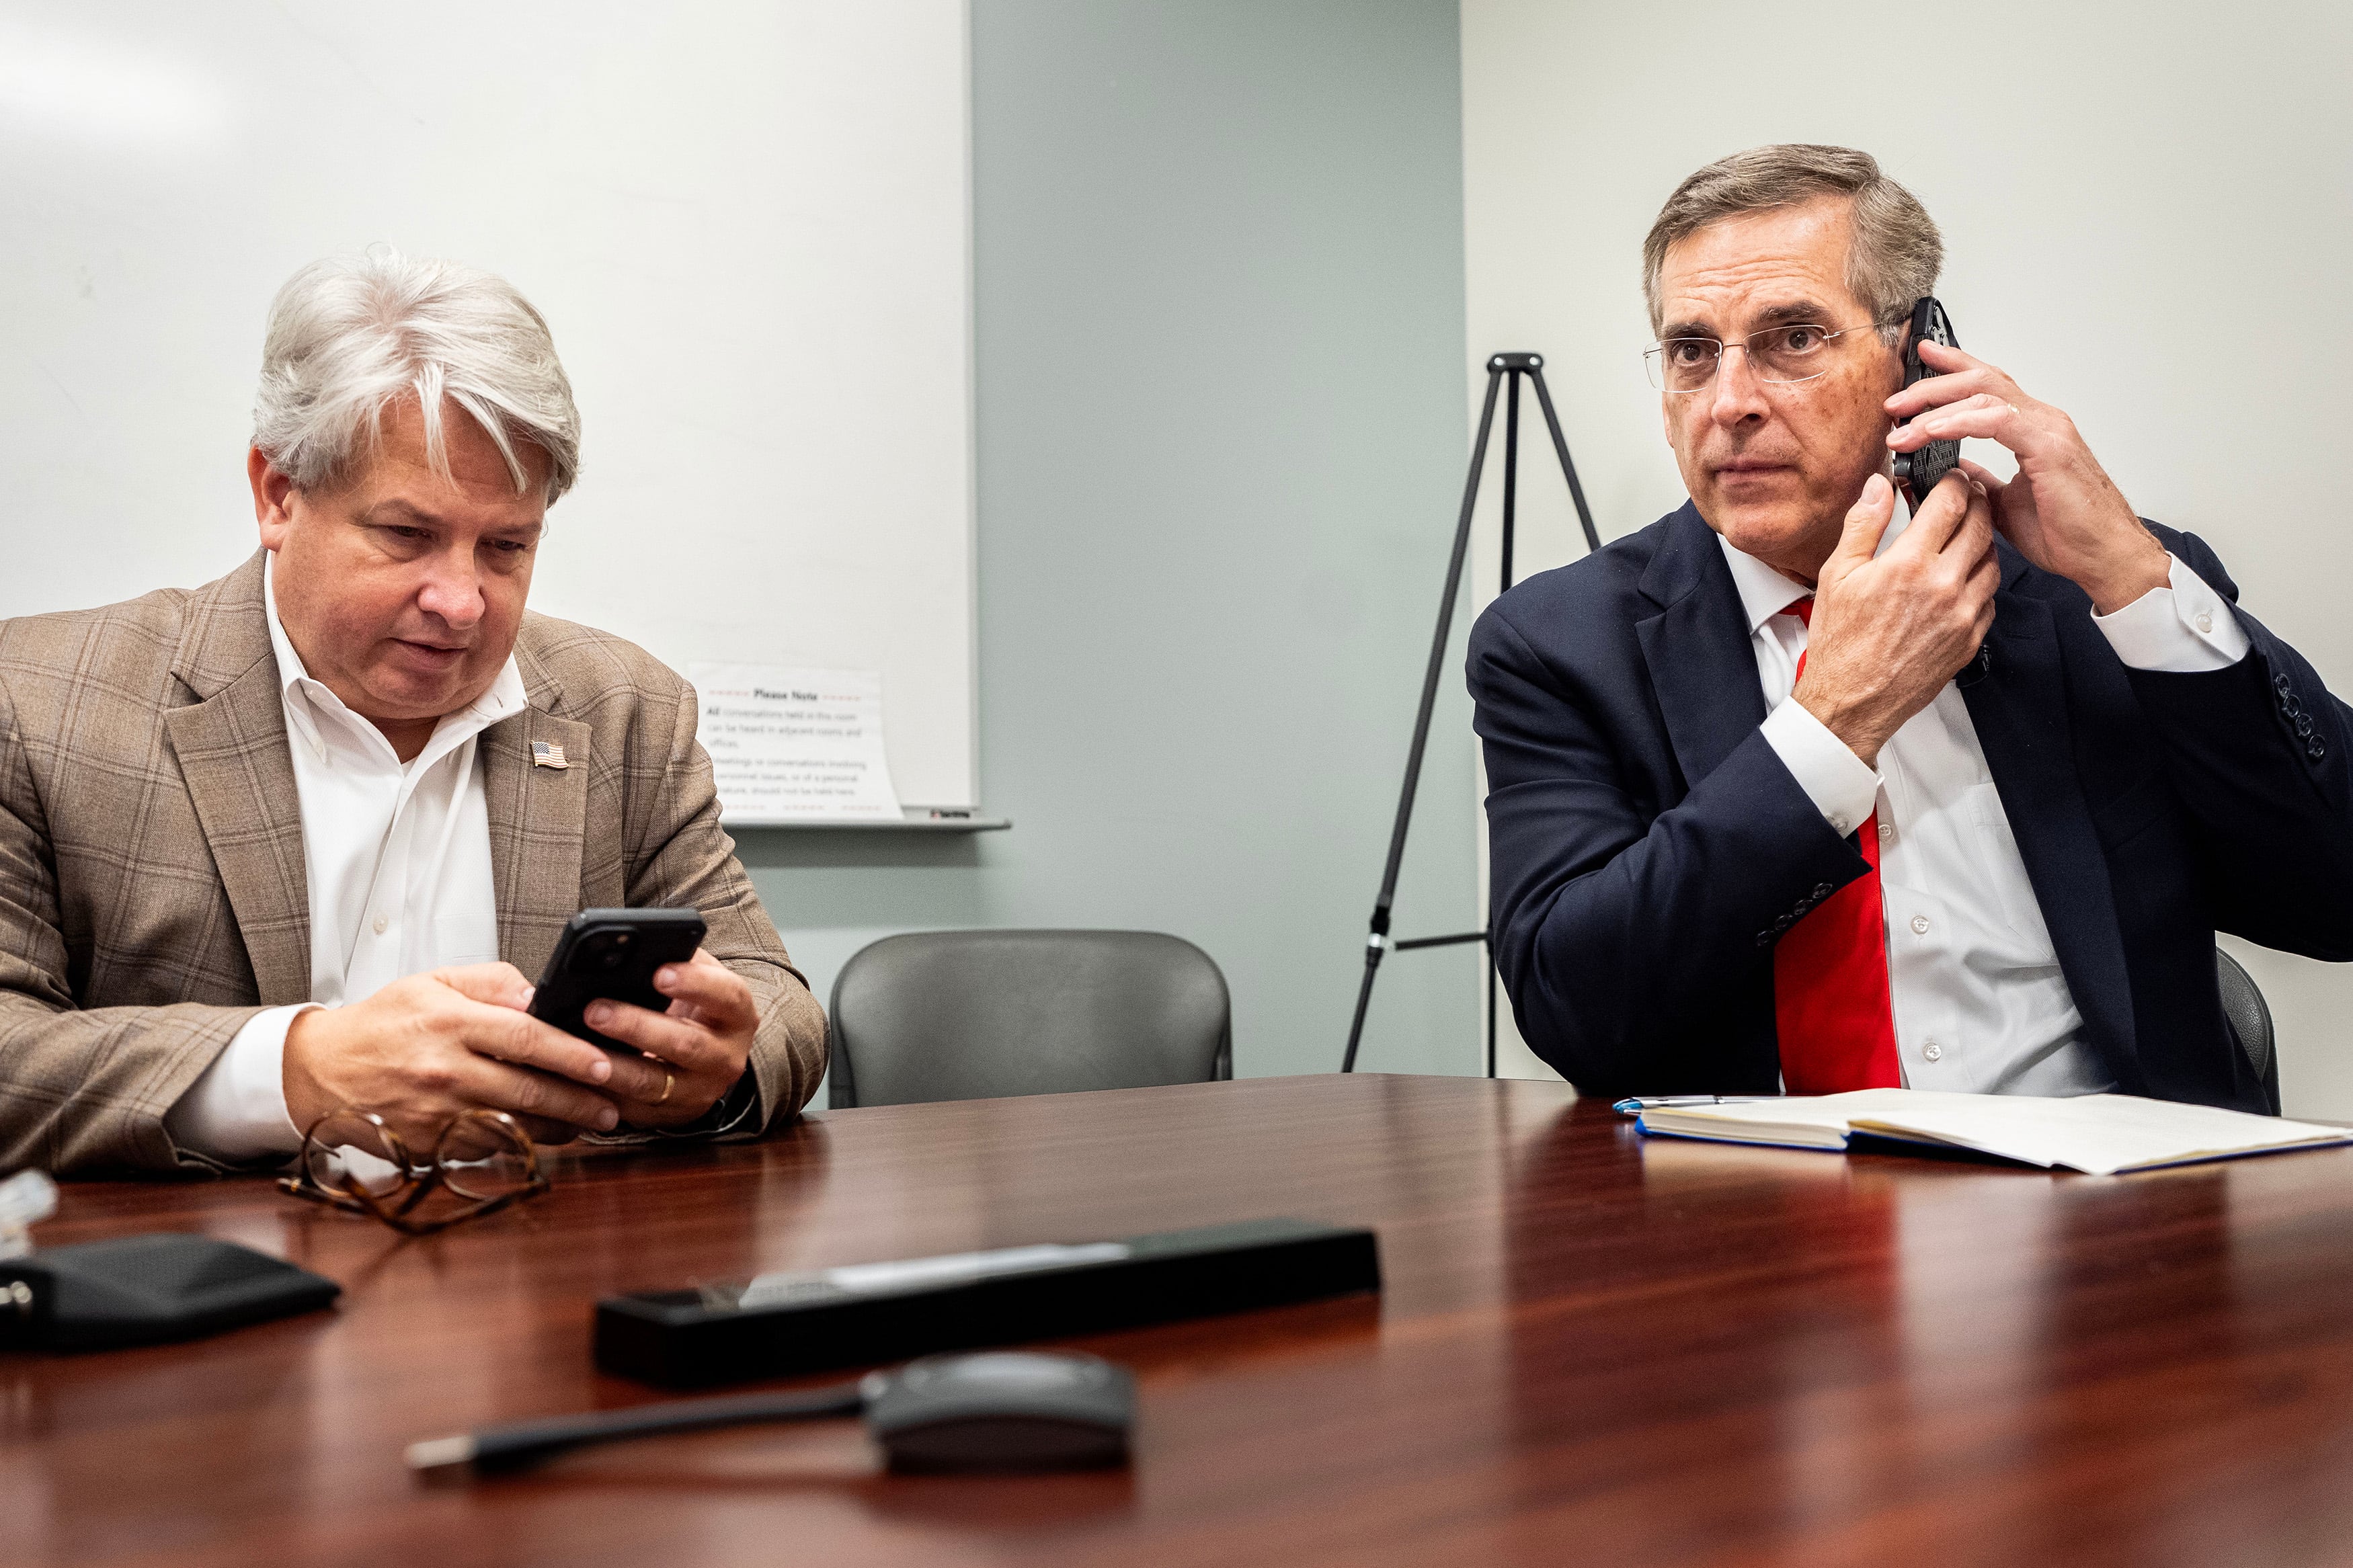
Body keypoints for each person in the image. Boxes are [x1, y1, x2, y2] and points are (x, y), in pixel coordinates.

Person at [1468, 145, 2353, 1110]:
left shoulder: (2086, 598)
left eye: (1793, 337)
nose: (1729, 403)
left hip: (2118, 1219)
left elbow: (2336, 892)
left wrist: (2141, 585)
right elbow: (1576, 1014)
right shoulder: (1558, 643)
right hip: (1754, 1226)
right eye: (1692, 351)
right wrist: (1832, 724)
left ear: (1914, 353)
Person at [0, 249, 827, 1174]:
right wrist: (297, 1071)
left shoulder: (627, 709)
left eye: (507, 545)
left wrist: (713, 1067)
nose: (463, 600)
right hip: (210, 1295)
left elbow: (778, 1004)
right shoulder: (41, 703)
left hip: (532, 1284)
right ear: (277, 493)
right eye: (408, 536)